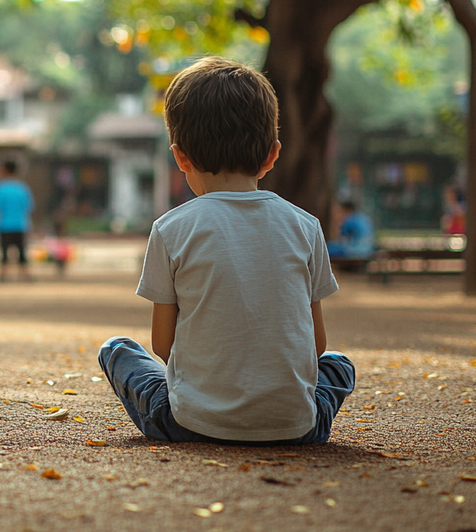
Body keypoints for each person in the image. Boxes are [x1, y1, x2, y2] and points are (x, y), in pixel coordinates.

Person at [98, 56, 355, 445]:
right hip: (297, 428)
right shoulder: (306, 226)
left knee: (117, 349)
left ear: (180, 156)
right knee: (338, 364)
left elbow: (163, 346)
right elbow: (315, 346)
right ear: (272, 154)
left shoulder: (171, 229)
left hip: (188, 423)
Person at [0, 160, 34, 282]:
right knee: (22, 251)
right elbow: (28, 207)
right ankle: (25, 274)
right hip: (20, 224)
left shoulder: (0, 188)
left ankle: (3, 274)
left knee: (4, 251)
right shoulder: (23, 188)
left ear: (5, 170)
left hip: (4, 225)